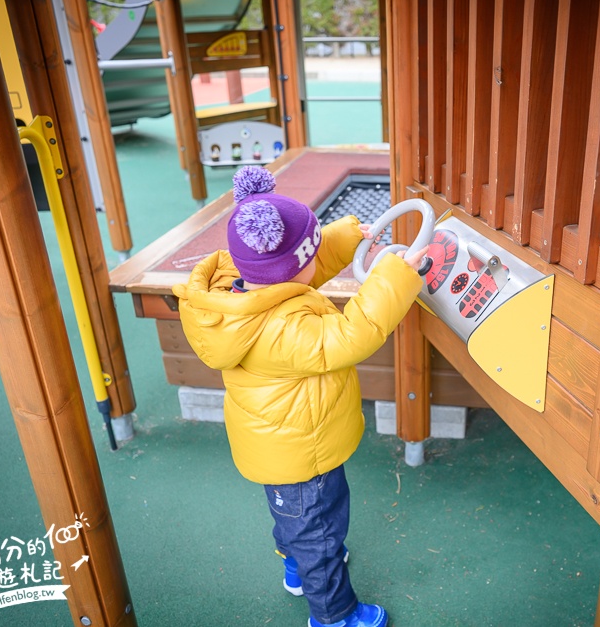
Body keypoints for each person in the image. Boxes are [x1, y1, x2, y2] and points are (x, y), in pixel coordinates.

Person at [174, 166, 427, 627]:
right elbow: (353, 333)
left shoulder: (246, 284)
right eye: (309, 255)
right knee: (320, 531)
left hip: (280, 446)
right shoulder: (283, 328)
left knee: (296, 519)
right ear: (292, 269)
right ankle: (334, 616)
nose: (313, 266)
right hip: (303, 450)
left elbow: (302, 264)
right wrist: (393, 275)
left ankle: (295, 563)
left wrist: (350, 235)